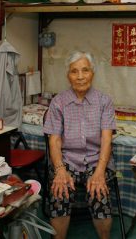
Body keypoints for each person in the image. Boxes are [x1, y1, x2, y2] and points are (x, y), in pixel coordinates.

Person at [43, 51, 116, 239]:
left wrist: (100, 172)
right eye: (74, 71)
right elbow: (55, 140)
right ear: (68, 75)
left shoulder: (104, 101)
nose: (80, 76)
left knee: (99, 193)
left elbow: (107, 139)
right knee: (60, 192)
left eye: (85, 70)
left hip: (96, 160)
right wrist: (59, 169)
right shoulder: (58, 102)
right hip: (67, 160)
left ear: (93, 73)